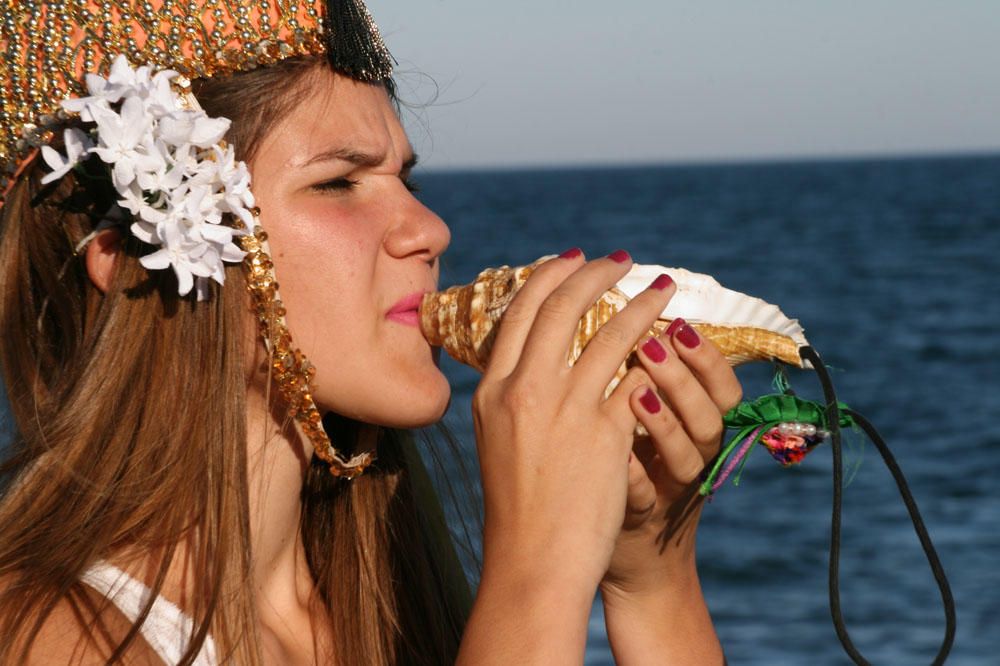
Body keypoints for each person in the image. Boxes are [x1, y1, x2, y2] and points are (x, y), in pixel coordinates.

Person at [0, 1, 741, 663]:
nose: (429, 230)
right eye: (338, 184)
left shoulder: (389, 597)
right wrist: (538, 569)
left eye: (406, 183)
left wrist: (652, 578)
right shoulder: (51, 634)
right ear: (137, 255)